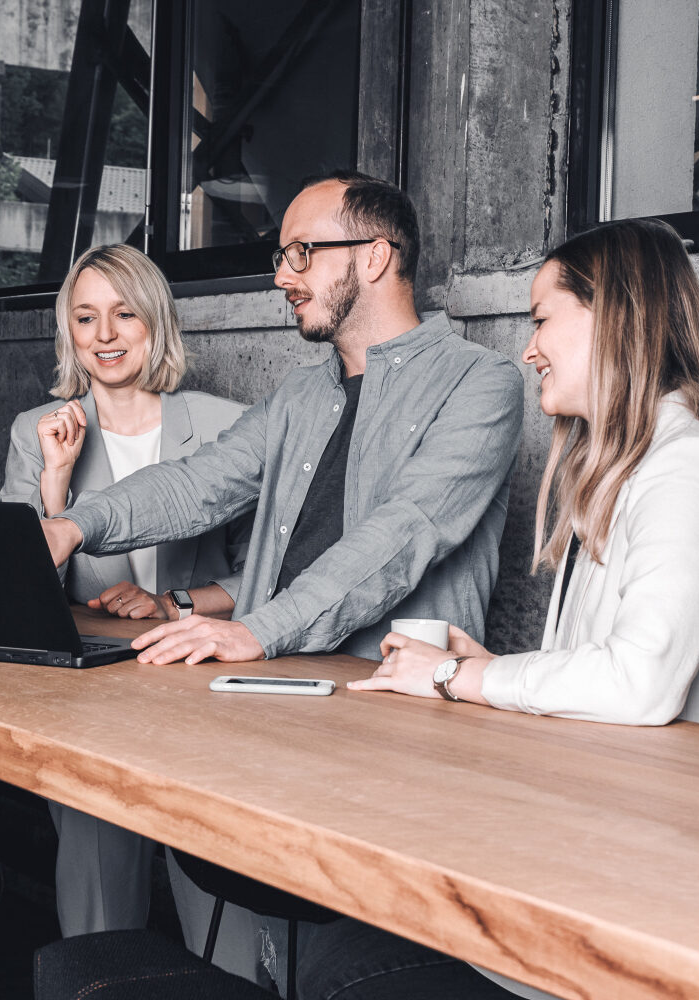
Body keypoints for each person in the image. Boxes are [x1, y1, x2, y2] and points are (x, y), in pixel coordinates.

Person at [304, 217, 699, 998]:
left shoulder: (686, 473)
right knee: (352, 940)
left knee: (348, 965)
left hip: (663, 902)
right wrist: (493, 670)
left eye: (540, 320)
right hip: (614, 860)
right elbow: (617, 672)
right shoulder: (632, 470)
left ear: (614, 317)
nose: (528, 350)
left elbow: (639, 683)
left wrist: (456, 678)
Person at [41, 171, 524, 668]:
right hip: (265, 674)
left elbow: (403, 533)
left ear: (374, 257)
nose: (282, 278)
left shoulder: (480, 382)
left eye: (302, 253)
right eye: (282, 257)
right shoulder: (298, 395)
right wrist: (72, 528)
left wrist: (256, 630)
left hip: (391, 685)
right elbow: (197, 483)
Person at [0, 243, 258, 958]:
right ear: (69, 331)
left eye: (124, 315)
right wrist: (55, 485)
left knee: (225, 927)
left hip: (202, 696)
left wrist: (175, 604)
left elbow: (271, 577)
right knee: (97, 916)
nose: (105, 335)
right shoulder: (36, 431)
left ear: (155, 322)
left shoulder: (227, 425)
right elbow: (14, 593)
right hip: (90, 700)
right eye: (86, 317)